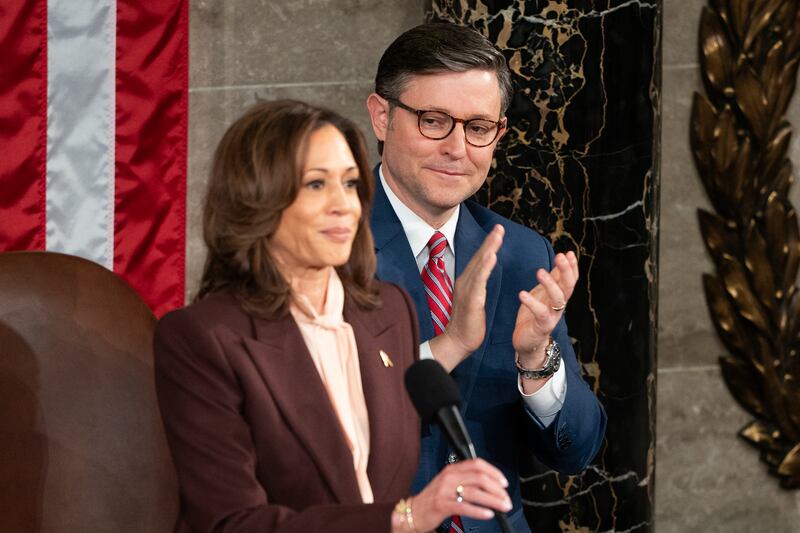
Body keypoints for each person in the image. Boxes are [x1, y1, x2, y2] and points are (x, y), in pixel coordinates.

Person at [153, 100, 514, 532]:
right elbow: (232, 523)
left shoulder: (389, 311)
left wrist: (457, 340)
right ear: (258, 199)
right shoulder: (202, 338)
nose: (343, 204)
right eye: (316, 185)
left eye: (349, 183)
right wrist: (407, 518)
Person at [366, 23, 608, 532]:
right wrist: (450, 343)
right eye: (435, 121)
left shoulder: (519, 252)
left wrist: (537, 358)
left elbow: (577, 451)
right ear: (381, 116)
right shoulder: (331, 248)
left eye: (478, 128)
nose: (458, 148)